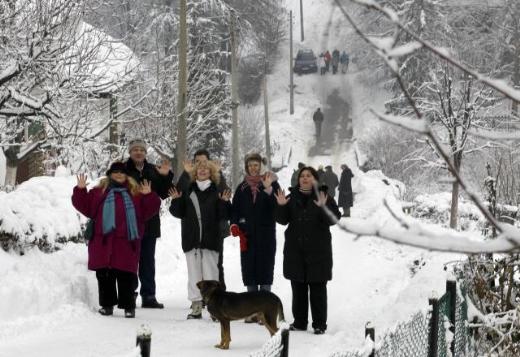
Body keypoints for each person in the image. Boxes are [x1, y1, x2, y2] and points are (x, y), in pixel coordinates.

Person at [72, 162, 161, 318]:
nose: (119, 175)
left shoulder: (135, 193)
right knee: (105, 275)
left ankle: (128, 307)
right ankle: (107, 306)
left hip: (127, 242)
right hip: (103, 241)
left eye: (122, 172)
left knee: (126, 275)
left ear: (126, 175)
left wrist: (149, 195)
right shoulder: (99, 192)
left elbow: (148, 211)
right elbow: (85, 206)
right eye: (115, 172)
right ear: (110, 174)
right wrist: (80, 190)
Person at [274, 166, 341, 335]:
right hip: (295, 251)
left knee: (318, 289)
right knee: (298, 288)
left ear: (315, 179)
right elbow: (282, 220)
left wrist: (324, 207)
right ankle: (300, 322)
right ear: (298, 180)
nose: (305, 178)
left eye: (308, 176)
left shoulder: (324, 196)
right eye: (302, 176)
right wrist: (281, 206)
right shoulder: (291, 197)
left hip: (318, 251)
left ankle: (319, 324)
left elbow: (334, 220)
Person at [169, 160, 232, 319]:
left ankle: (215, 308)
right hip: (192, 239)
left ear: (211, 173)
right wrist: (176, 200)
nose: (202, 171)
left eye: (206, 169)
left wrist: (224, 203)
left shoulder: (217, 190)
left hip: (211, 239)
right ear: (195, 173)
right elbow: (178, 213)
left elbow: (224, 215)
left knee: (211, 274)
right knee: (194, 274)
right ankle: (196, 306)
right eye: (199, 169)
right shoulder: (188, 189)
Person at [125, 138, 174, 309]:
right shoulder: (122, 170)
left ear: (145, 153)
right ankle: (129, 294)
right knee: (130, 260)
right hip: (129, 222)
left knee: (147, 260)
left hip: (150, 222)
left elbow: (164, 193)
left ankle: (149, 296)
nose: (138, 152)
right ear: (130, 152)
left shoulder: (154, 170)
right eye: (135, 149)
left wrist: (166, 176)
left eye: (141, 150)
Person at [230, 153, 280, 312]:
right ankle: (251, 310)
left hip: (266, 235)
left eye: (256, 165)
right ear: (247, 167)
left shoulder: (272, 183)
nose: (253, 168)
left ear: (261, 166)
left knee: (265, 269)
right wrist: (234, 224)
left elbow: (277, 208)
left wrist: (268, 189)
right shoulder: (241, 187)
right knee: (249, 270)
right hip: (247, 236)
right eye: (250, 165)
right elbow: (235, 210)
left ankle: (265, 310)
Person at [177, 149, 230, 290]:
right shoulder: (189, 177)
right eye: (198, 162)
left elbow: (224, 193)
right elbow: (179, 194)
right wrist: (186, 173)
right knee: (196, 267)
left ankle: (218, 296)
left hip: (214, 231)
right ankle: (198, 300)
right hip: (193, 231)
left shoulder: (215, 175)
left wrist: (218, 173)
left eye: (204, 162)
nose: (201, 165)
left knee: (215, 265)